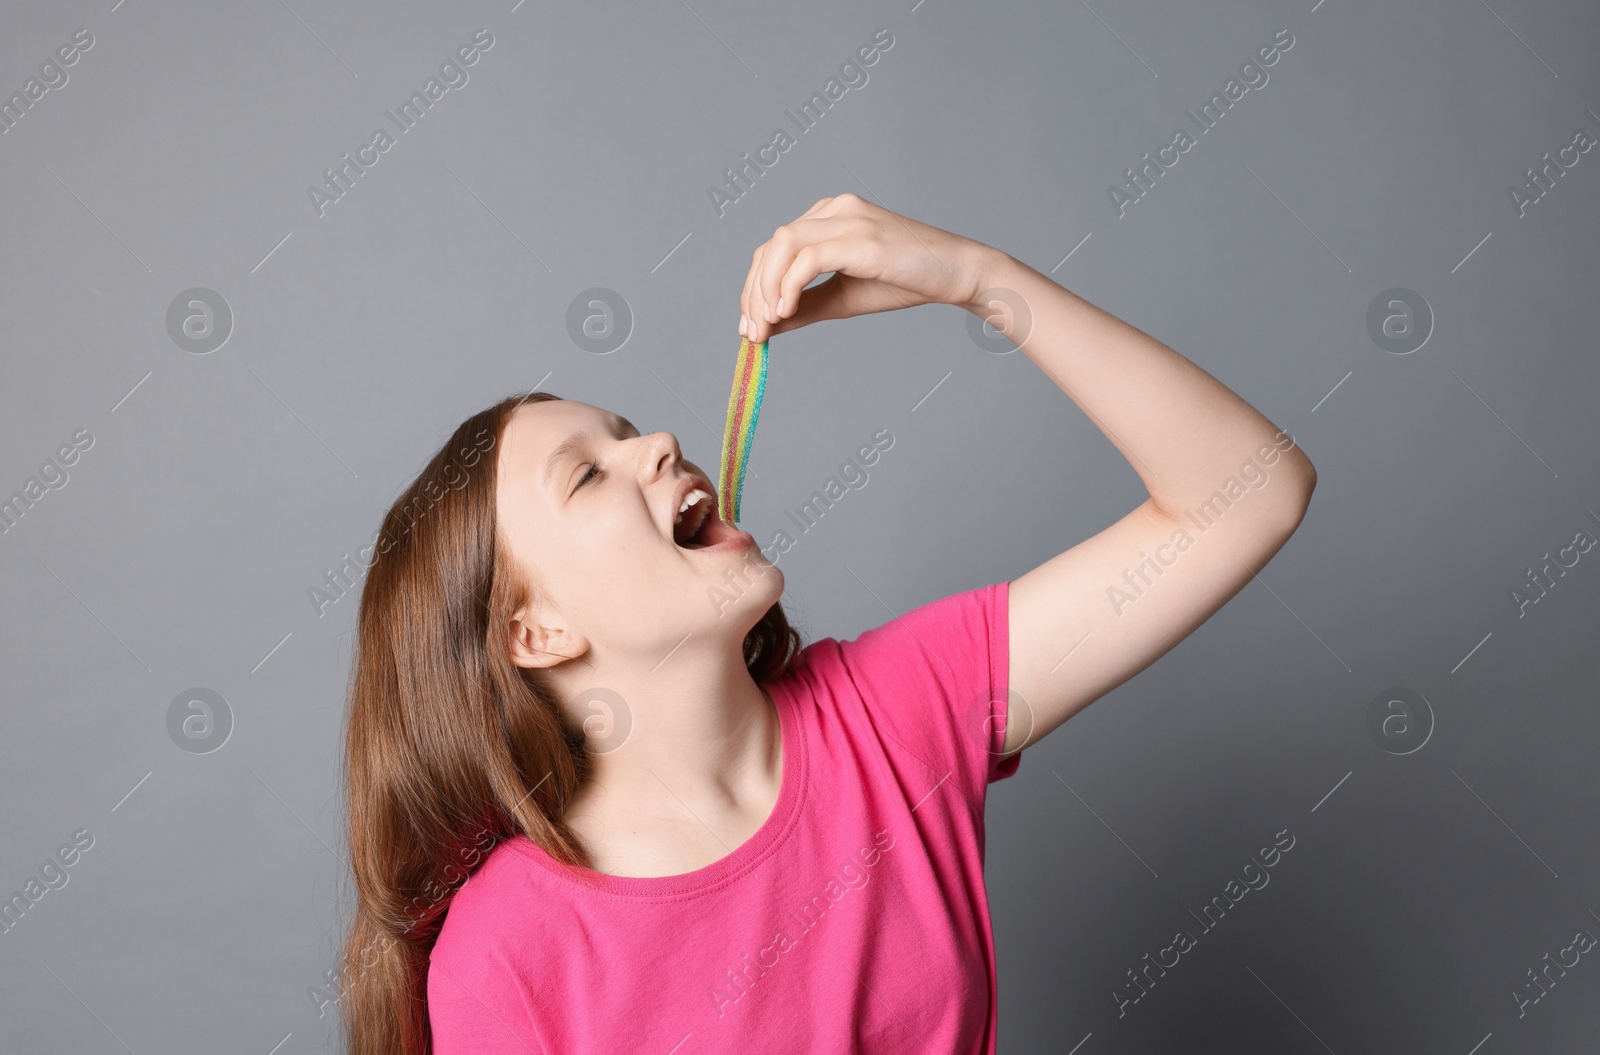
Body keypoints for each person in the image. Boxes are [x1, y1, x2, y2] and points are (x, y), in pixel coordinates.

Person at [337, 193, 1317, 1054]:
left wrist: (978, 280)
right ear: (535, 632)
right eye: (589, 473)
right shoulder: (508, 948)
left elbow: (1246, 492)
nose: (658, 445)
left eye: (628, 431)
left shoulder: (895, 714)